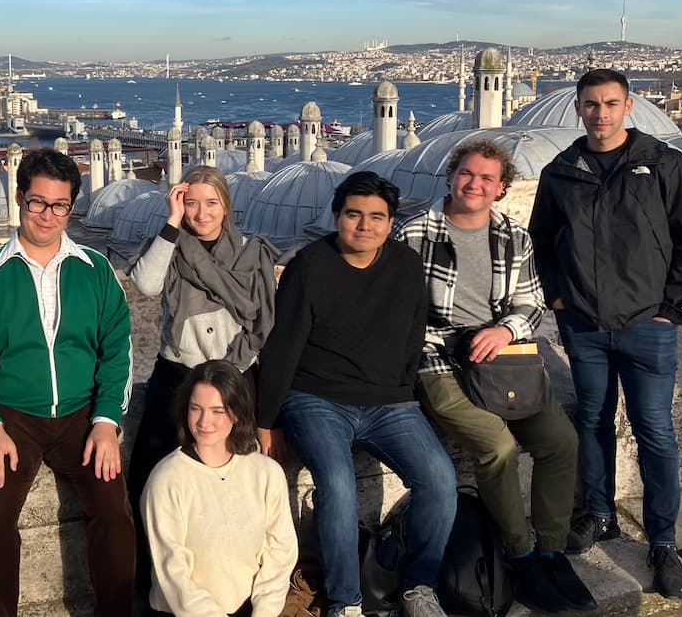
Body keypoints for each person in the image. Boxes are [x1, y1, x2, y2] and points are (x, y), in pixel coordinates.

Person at [528, 68, 682, 600]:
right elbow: (541, 239)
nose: (601, 113)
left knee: (654, 428)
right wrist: (558, 297)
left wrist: (672, 309)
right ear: (578, 109)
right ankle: (600, 513)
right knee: (591, 419)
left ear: (629, 106)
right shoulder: (561, 171)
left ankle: (661, 540)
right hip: (584, 324)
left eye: (611, 103)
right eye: (591, 104)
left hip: (648, 325)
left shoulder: (662, 164)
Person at [395, 140, 596, 614]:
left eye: (487, 178)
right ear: (450, 176)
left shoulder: (513, 236)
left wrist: (505, 330)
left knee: (560, 443)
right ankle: (520, 555)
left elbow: (530, 302)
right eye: (467, 174)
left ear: (501, 187)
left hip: (504, 358)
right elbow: (399, 313)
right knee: (497, 446)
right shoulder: (414, 234)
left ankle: (550, 550)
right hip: (439, 359)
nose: (475, 184)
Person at [256, 172, 456, 617]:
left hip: (389, 400)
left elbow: (412, 333)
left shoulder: (404, 265)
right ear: (337, 216)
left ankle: (419, 588)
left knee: (440, 480)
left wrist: (403, 391)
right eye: (354, 214)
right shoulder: (309, 266)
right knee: (338, 484)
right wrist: (266, 419)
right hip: (317, 397)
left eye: (376, 217)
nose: (364, 225)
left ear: (389, 223)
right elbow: (283, 345)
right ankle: (344, 602)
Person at [0, 148, 135, 617]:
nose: (48, 215)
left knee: (114, 511)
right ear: (19, 198)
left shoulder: (95, 271)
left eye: (59, 205)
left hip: (81, 413)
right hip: (11, 416)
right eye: (38, 202)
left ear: (71, 207)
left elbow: (117, 351)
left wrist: (106, 420)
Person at [127, 165, 280, 592]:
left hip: (235, 376)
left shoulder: (251, 252)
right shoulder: (172, 246)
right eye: (191, 202)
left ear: (226, 206)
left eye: (211, 202)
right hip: (178, 373)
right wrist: (171, 222)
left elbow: (263, 321)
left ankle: (234, 582)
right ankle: (153, 581)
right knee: (150, 475)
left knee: (232, 480)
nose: (201, 212)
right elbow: (146, 282)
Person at [142, 360, 298, 617]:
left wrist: (264, 612)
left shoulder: (266, 473)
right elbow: (172, 570)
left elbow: (281, 551)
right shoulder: (166, 479)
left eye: (217, 410)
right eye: (196, 409)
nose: (205, 421)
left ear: (236, 412)